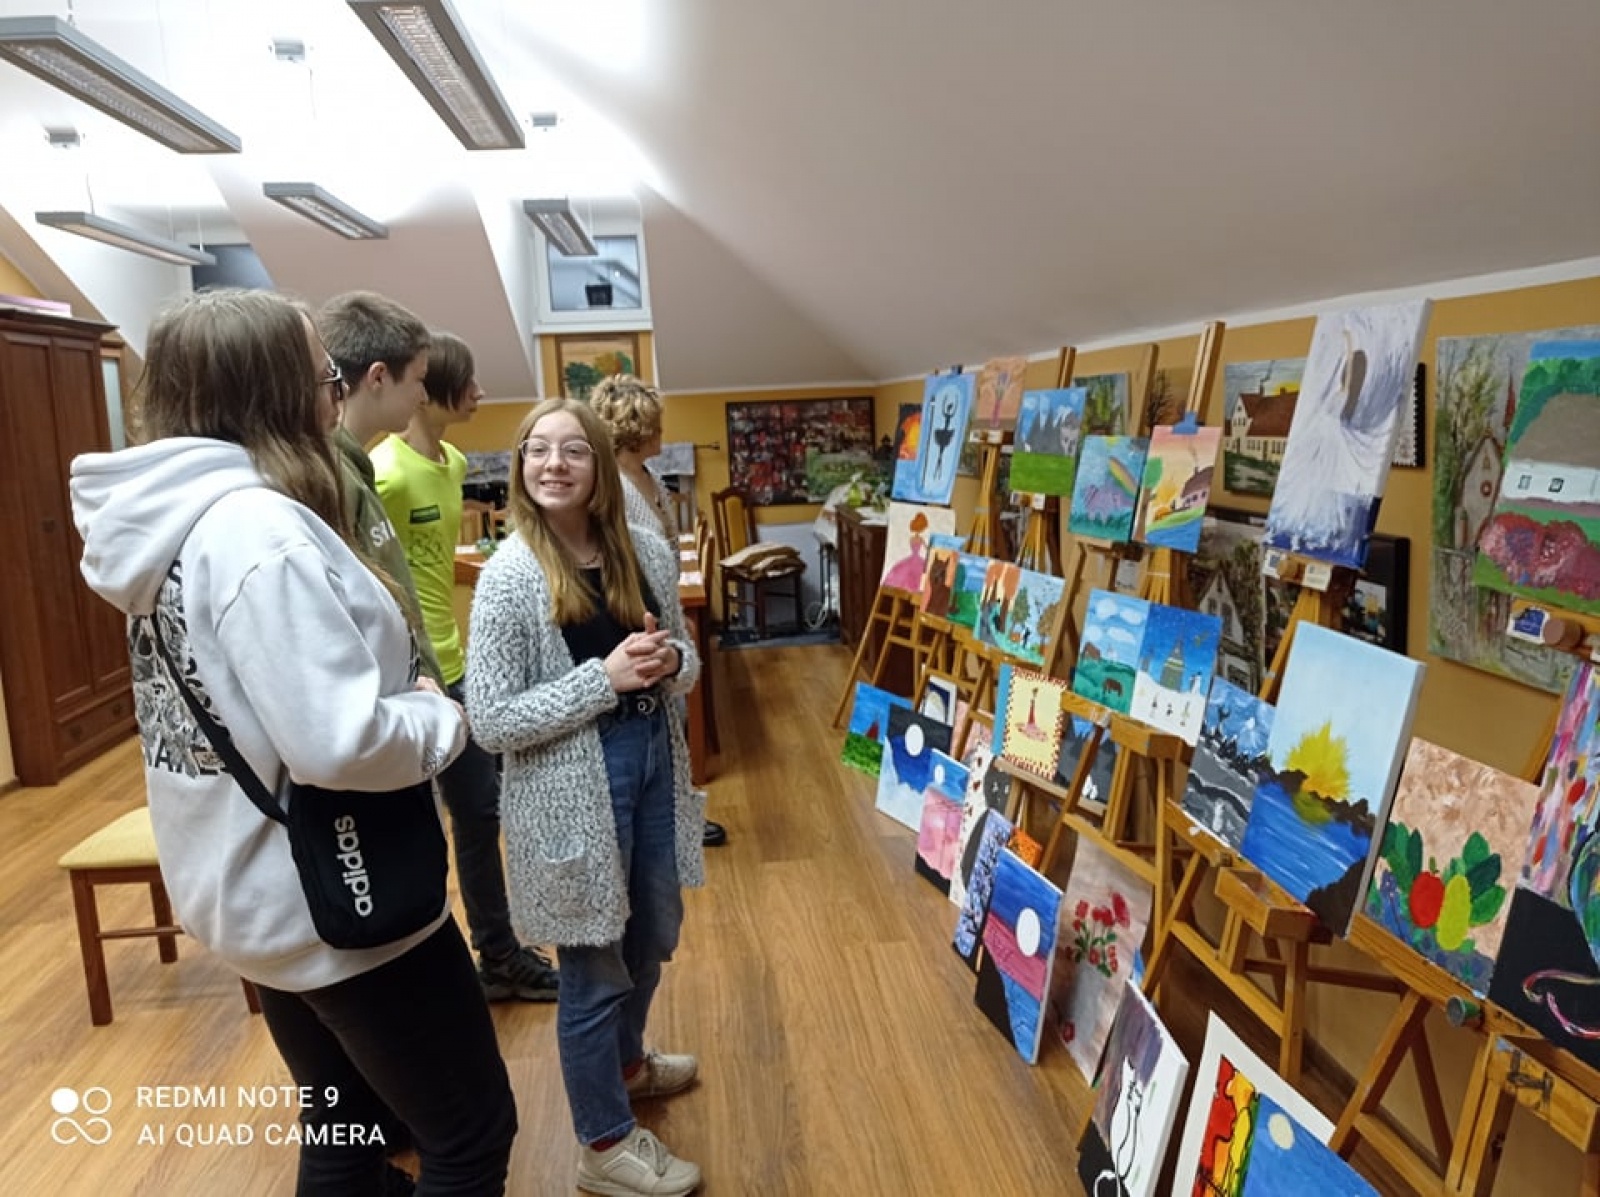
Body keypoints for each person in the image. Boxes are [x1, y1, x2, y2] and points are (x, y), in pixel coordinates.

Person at [68, 288, 517, 1195]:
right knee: (469, 1133)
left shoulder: (171, 527)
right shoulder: (256, 532)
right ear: (273, 391)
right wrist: (439, 716)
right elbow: (339, 743)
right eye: (322, 374)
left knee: (345, 1133)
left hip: (253, 891)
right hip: (341, 903)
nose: (333, 391)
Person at [466, 398, 706, 1197]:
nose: (554, 463)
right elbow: (491, 719)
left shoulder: (642, 549)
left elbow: (690, 659)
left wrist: (671, 663)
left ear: (601, 464)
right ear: (520, 467)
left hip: (650, 765)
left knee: (651, 938)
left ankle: (629, 1064)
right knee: (593, 963)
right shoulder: (508, 576)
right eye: (538, 450)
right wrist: (600, 680)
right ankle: (602, 1143)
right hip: (570, 786)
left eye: (573, 450)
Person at [320, 294, 559, 1005]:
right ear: (384, 380)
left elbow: (426, 557)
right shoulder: (373, 469)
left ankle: (497, 951)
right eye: (425, 378)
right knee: (421, 827)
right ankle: (435, 963)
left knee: (480, 812)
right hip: (404, 681)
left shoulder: (449, 464)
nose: (458, 392)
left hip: (453, 664)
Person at [587, 373, 727, 848]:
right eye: (655, 424)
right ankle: (665, 820)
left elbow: (664, 546)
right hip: (636, 620)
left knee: (674, 725)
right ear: (635, 427)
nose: (662, 432)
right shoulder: (612, 489)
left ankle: (678, 814)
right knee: (651, 730)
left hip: (664, 615)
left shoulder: (651, 481)